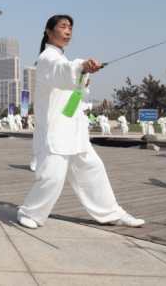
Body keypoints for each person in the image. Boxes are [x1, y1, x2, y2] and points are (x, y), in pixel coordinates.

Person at [17, 14, 143, 230]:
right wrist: (81, 67)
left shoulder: (63, 61)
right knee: (53, 177)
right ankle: (29, 212)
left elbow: (72, 100)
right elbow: (62, 71)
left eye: (70, 28)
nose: (68, 31)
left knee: (94, 170)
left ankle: (112, 213)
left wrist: (82, 82)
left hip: (72, 130)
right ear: (48, 32)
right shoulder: (48, 58)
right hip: (55, 130)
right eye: (63, 27)